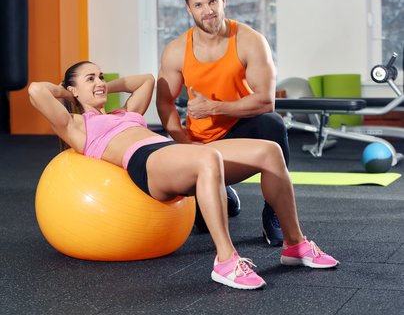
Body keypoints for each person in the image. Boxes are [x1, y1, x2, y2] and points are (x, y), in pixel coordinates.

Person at [29, 61, 339, 291]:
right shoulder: (75, 125)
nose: (99, 81)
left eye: (101, 75)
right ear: (71, 89)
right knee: (208, 156)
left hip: (170, 153)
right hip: (146, 163)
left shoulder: (126, 113)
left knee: (269, 151)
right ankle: (226, 260)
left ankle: (295, 246)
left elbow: (146, 80)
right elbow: (36, 91)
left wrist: (102, 86)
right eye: (90, 77)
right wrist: (69, 93)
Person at [156, 0, 288, 246]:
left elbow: (266, 101)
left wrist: (214, 107)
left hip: (242, 128)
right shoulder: (176, 49)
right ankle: (222, 189)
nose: (208, 11)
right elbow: (164, 102)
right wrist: (182, 142)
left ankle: (273, 211)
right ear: (188, 8)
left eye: (212, 2)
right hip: (201, 142)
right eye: (199, 5)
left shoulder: (250, 40)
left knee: (272, 123)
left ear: (223, 0)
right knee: (203, 228)